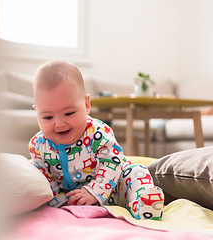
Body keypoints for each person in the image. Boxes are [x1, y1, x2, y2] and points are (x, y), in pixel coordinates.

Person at [29, 60, 164, 220]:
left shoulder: (98, 133)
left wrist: (94, 190)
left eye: (69, 113)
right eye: (48, 117)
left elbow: (112, 162)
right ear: (36, 112)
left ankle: (142, 203)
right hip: (71, 198)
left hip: (114, 188)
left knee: (136, 171)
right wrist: (62, 203)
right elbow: (45, 180)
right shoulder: (38, 146)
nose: (59, 124)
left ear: (86, 105)